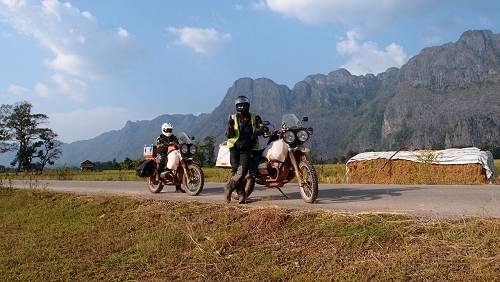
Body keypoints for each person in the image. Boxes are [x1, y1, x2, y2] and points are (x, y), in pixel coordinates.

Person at [225, 96, 266, 204]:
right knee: (235, 170)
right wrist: (230, 127)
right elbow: (229, 135)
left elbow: (261, 127)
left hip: (247, 148)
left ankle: (229, 187)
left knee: (242, 171)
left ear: (248, 106)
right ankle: (242, 195)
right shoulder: (232, 117)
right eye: (239, 106)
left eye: (244, 105)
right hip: (234, 147)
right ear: (236, 107)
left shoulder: (255, 117)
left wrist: (259, 131)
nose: (242, 107)